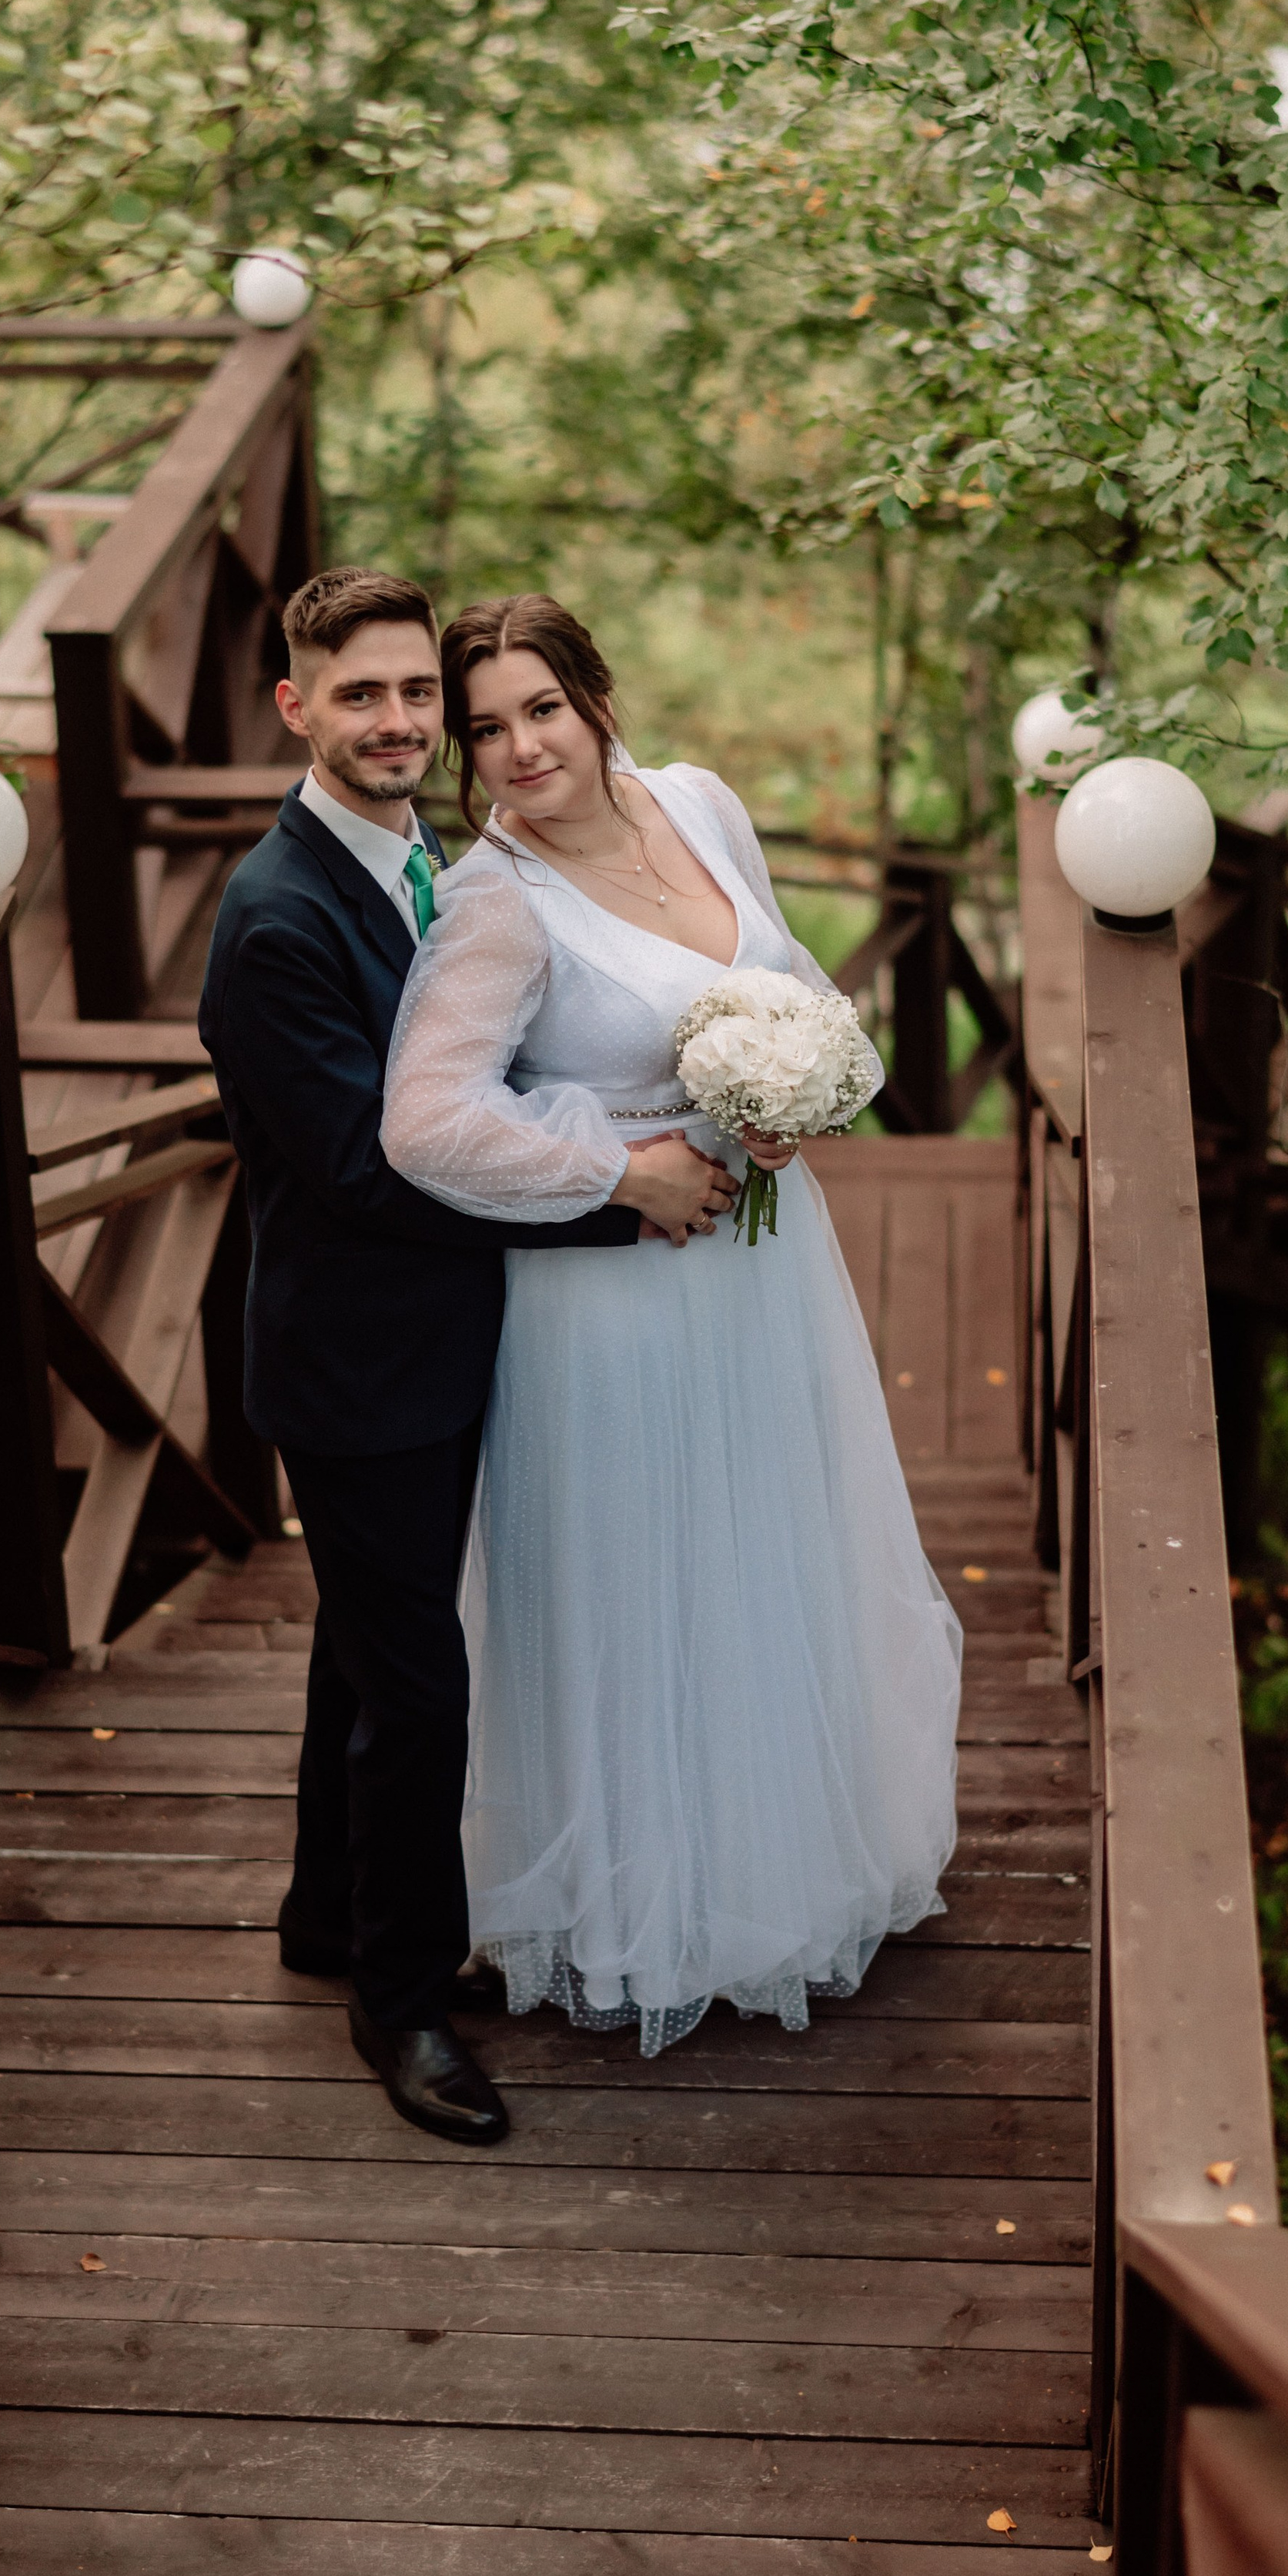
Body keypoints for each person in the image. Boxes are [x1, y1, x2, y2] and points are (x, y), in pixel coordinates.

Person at [380, 593, 962, 2056]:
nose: (520, 750)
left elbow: (800, 991)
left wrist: (805, 1099)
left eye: (543, 712)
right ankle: (647, 1913)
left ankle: (782, 1864)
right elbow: (424, 1124)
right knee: (644, 1584)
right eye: (487, 730)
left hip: (761, 1270)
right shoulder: (494, 905)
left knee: (767, 1551)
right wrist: (621, 1168)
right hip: (610, 1299)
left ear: (594, 698)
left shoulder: (696, 802)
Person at [198, 567, 736, 2149]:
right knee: (421, 1681)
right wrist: (619, 1194)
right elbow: (369, 1173)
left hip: (451, 1337)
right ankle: (400, 1996)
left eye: (412, 695)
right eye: (357, 695)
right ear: (292, 705)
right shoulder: (274, 919)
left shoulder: (427, 857)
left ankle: (323, 1911)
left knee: (362, 1652)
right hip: (359, 1361)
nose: (398, 723)